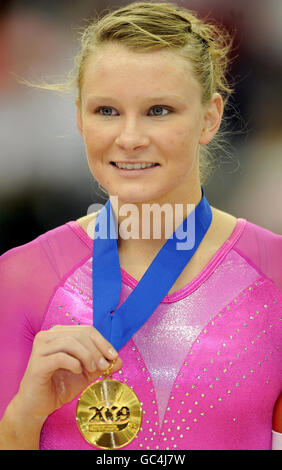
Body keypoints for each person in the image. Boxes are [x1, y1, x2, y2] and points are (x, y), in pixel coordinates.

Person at [0, 1, 281, 451]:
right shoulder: (19, 276)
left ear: (209, 117)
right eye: (106, 111)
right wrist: (25, 416)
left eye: (159, 110)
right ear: (78, 117)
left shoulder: (275, 272)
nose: (129, 138)